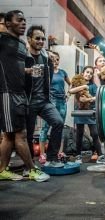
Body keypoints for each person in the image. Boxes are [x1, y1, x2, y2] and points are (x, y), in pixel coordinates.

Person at [0, 10, 49, 181]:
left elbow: (14, 66)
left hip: (20, 93)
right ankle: (32, 169)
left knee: (9, 136)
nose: (23, 23)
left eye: (24, 20)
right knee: (20, 134)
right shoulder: (2, 40)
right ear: (7, 24)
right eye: (19, 20)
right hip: (7, 93)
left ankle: (2, 170)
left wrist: (28, 71)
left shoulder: (20, 44)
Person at [25, 25, 64, 168]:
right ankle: (29, 166)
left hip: (44, 100)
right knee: (28, 134)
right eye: (37, 38)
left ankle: (52, 158)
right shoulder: (24, 56)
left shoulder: (46, 57)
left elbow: (50, 77)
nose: (41, 41)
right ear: (29, 39)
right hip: (28, 101)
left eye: (42, 38)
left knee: (58, 122)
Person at [38, 51, 71, 164]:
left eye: (57, 59)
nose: (55, 62)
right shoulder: (46, 72)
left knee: (60, 126)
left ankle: (58, 152)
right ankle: (42, 154)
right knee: (45, 128)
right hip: (50, 101)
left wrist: (68, 94)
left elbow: (70, 84)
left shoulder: (63, 72)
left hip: (62, 102)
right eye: (52, 59)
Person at [69, 66, 103, 163]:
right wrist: (84, 87)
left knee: (95, 134)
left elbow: (98, 96)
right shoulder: (77, 83)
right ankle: (78, 155)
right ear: (83, 73)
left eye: (91, 73)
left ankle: (100, 155)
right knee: (79, 133)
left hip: (90, 112)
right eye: (87, 72)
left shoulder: (93, 85)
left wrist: (91, 99)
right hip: (79, 112)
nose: (88, 74)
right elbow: (71, 91)